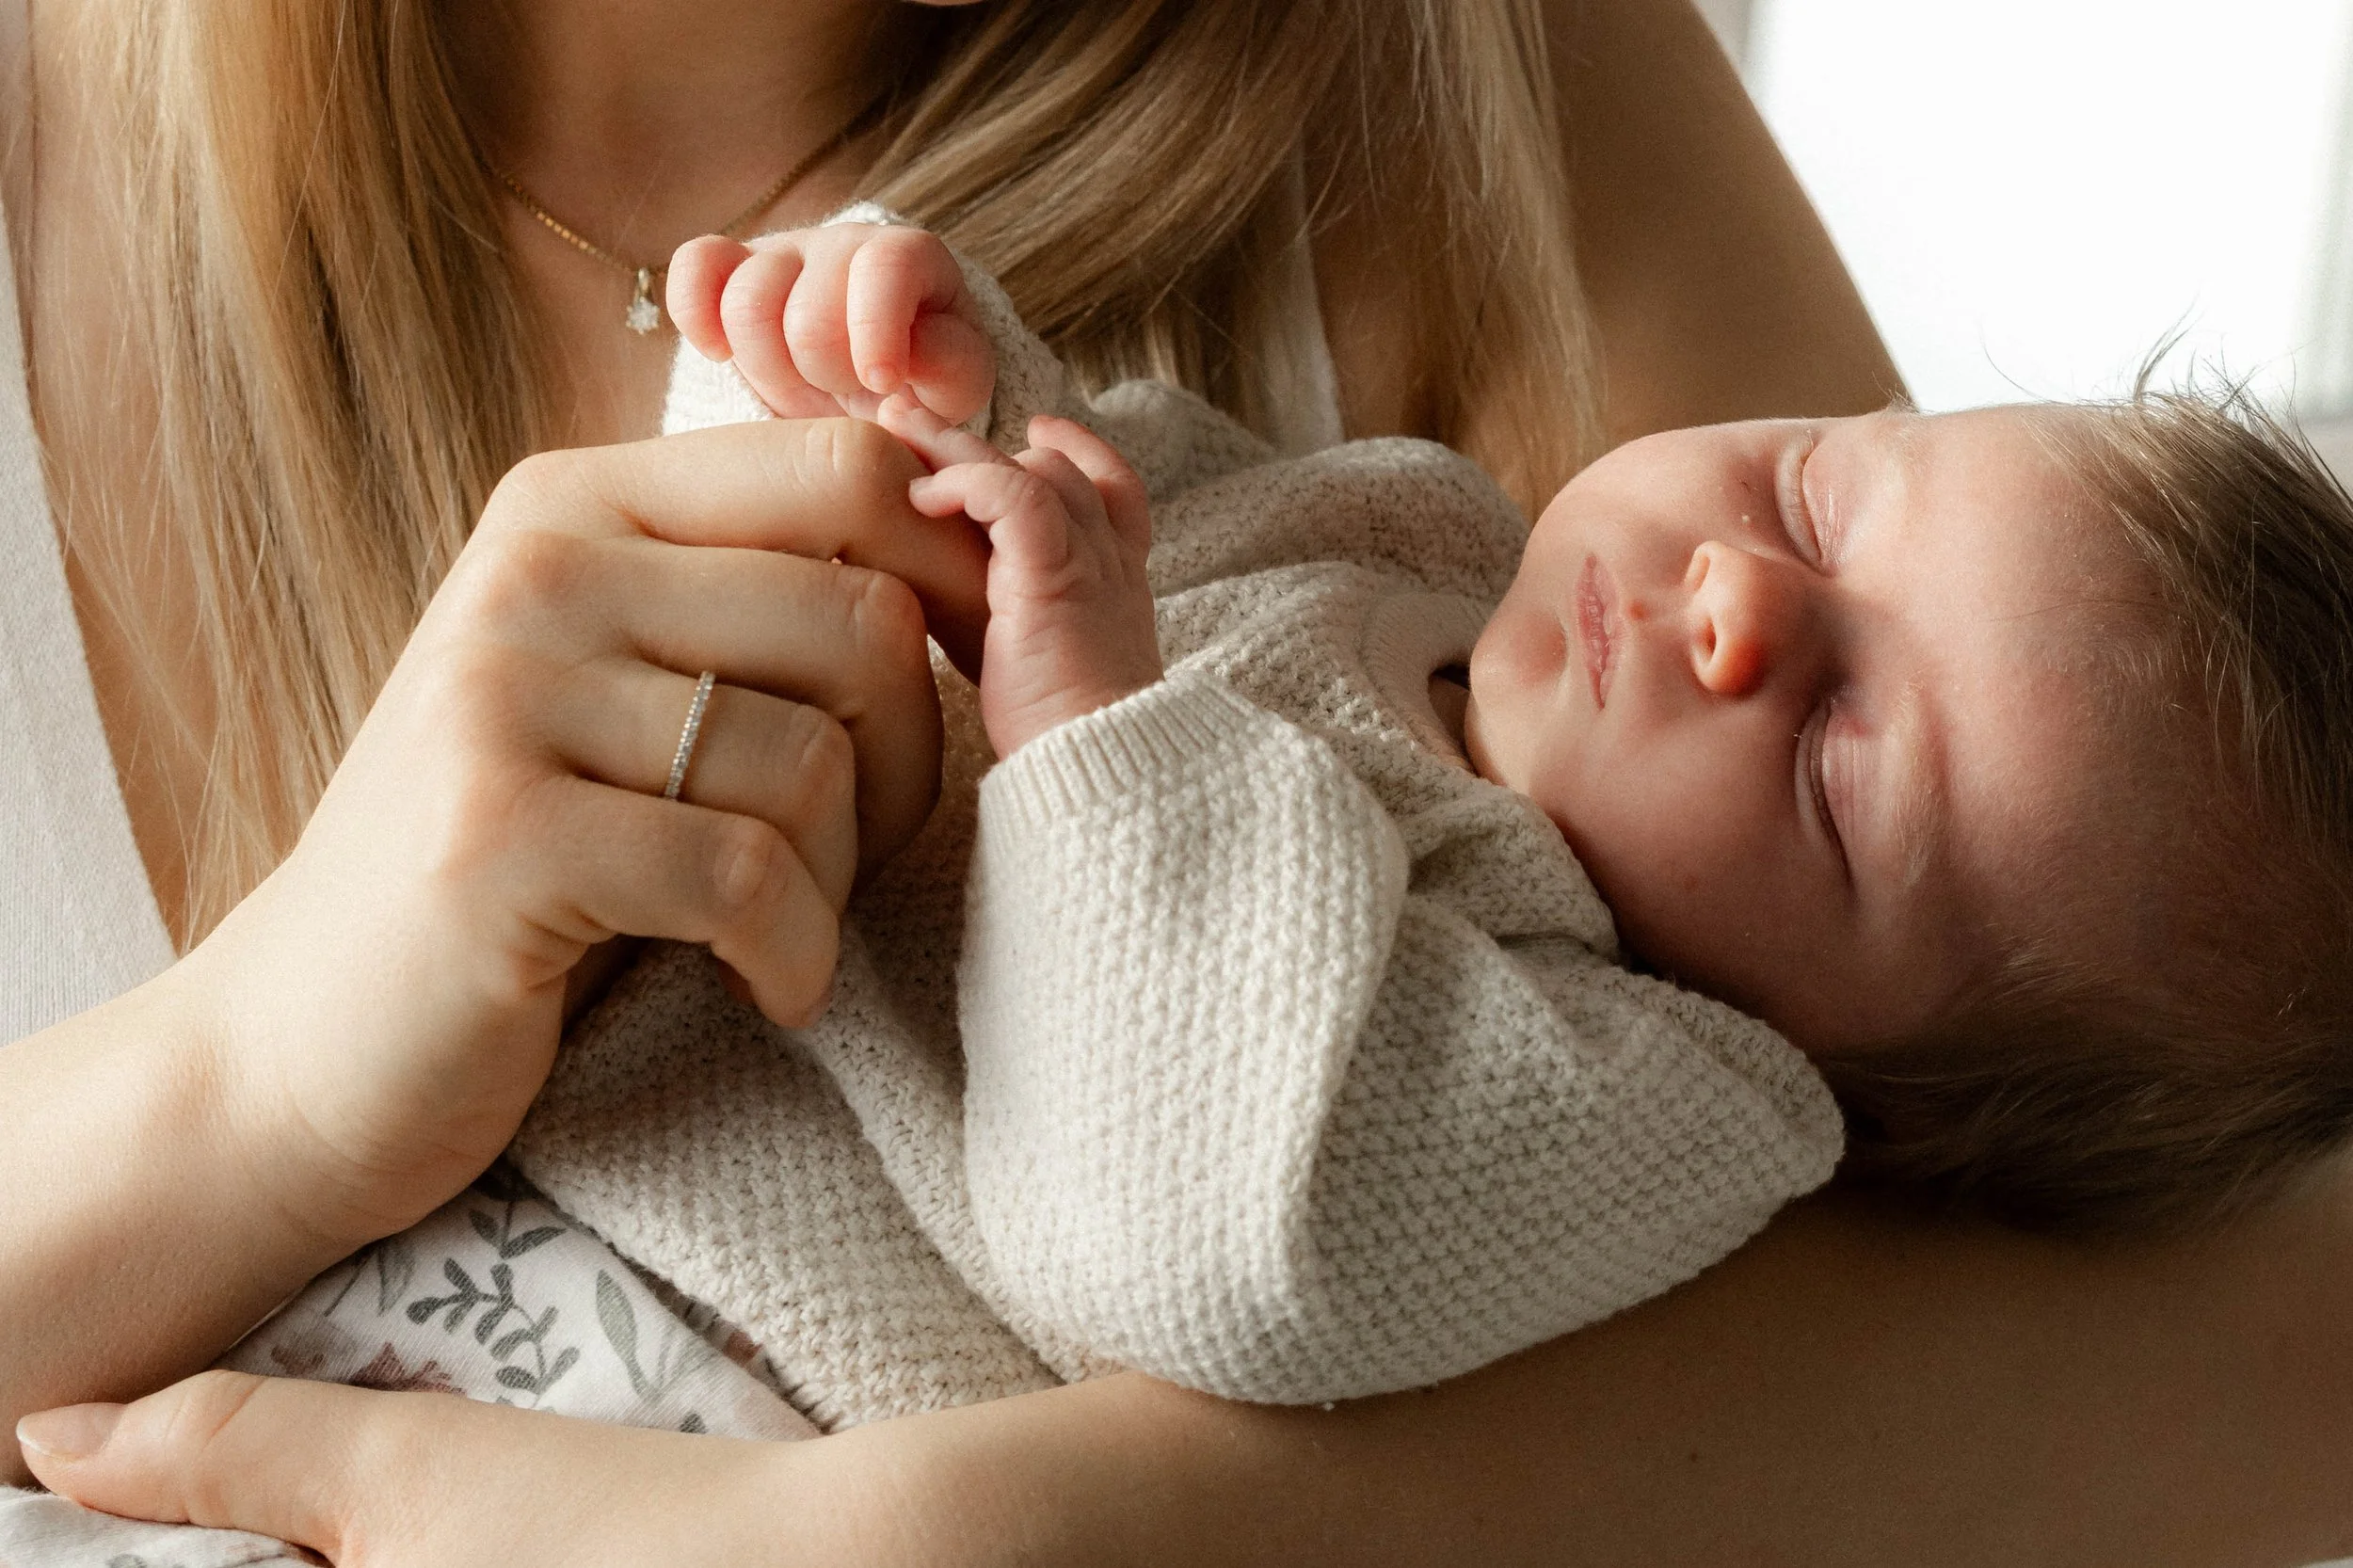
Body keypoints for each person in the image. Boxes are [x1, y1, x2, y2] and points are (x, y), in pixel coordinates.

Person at [7, 4, 2353, 1567]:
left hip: (694, 1381)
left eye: (1840, 757)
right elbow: (1131, 528)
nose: (1741, 607)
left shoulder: (1649, 1078)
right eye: (1821, 503)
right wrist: (928, 397)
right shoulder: (1443, 550)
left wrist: (948, 1539)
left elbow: (1213, 1203)